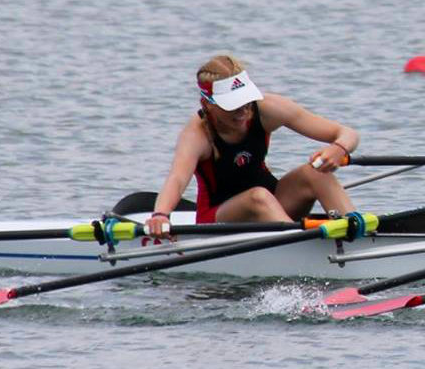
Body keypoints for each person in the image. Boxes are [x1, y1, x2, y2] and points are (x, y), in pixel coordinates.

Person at [147, 55, 359, 238]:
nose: (243, 110)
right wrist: (160, 215)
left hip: (273, 207)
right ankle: (299, 248)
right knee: (258, 196)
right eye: (232, 104)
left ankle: (357, 230)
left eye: (245, 100)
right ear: (207, 104)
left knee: (316, 172)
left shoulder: (268, 108)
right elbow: (176, 179)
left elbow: (348, 134)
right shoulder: (195, 135)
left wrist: (339, 148)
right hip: (217, 220)